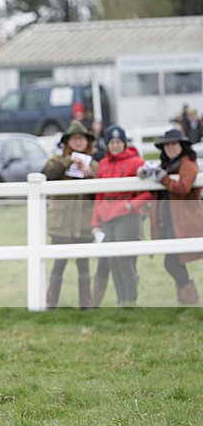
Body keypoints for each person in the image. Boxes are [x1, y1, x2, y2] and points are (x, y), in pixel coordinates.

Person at [140, 129, 203, 304]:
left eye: (173, 144)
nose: (170, 148)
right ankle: (187, 300)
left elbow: (183, 187)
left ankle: (190, 299)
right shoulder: (167, 165)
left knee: (171, 263)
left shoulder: (187, 163)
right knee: (174, 262)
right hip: (169, 222)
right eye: (167, 145)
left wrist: (163, 179)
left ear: (181, 146)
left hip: (183, 222)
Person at [90, 125, 151, 306]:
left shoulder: (136, 163)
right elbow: (99, 195)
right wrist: (95, 222)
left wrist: (130, 204)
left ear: (124, 143)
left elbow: (148, 192)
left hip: (128, 216)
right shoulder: (103, 165)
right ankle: (120, 299)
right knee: (113, 261)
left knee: (124, 260)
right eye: (112, 142)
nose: (115, 146)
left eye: (118, 142)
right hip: (107, 217)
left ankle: (130, 299)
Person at [41, 121, 98, 309]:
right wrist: (68, 162)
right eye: (75, 139)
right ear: (68, 142)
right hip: (62, 223)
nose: (79, 142)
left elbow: (99, 194)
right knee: (59, 263)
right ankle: (51, 303)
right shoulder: (57, 161)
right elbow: (45, 175)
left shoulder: (95, 166)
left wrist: (89, 175)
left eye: (82, 139)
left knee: (84, 265)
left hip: (84, 223)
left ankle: (85, 304)